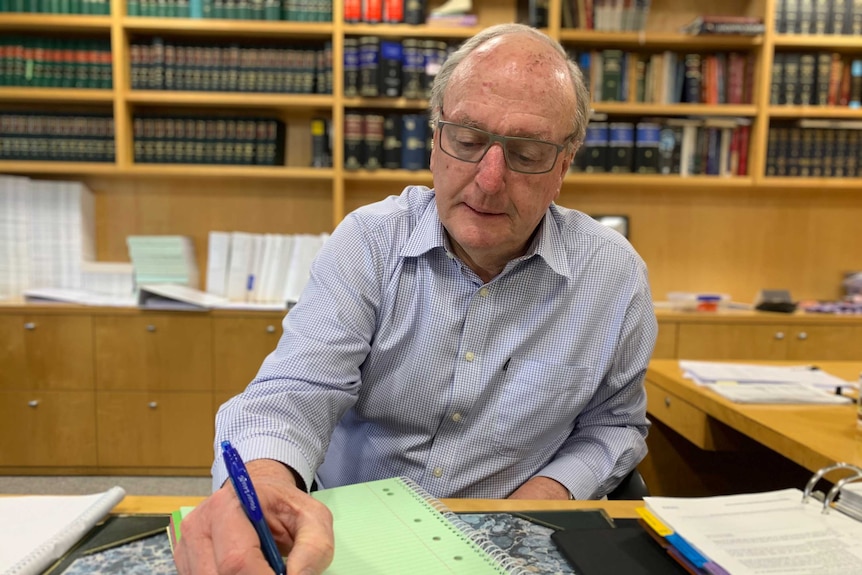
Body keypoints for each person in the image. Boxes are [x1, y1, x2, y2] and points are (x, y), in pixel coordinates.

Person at [174, 22, 657, 575]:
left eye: (526, 153)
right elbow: (296, 390)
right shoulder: (369, 242)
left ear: (565, 164)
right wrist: (263, 483)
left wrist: (546, 494)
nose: (489, 179)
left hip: (510, 536)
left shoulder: (614, 276)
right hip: (350, 536)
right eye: (469, 141)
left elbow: (614, 425)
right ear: (436, 140)